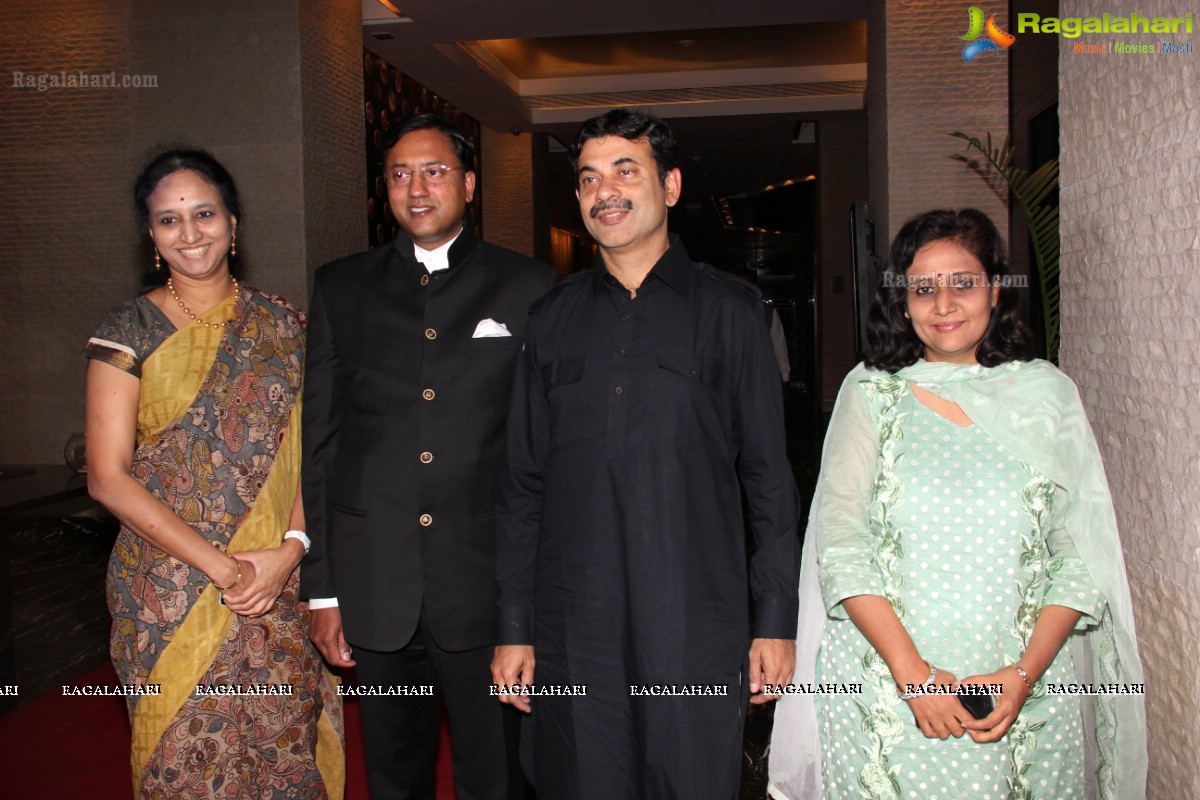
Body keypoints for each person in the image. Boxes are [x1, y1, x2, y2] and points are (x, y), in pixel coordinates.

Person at [768, 208, 1145, 800]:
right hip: (888, 694)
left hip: (1025, 692)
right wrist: (915, 677)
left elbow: (1079, 555)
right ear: (903, 301)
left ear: (995, 290)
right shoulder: (872, 394)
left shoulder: (1046, 396)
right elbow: (842, 544)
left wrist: (1021, 679)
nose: (943, 304)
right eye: (923, 288)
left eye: (962, 283)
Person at [491, 108, 801, 799]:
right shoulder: (551, 321)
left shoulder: (732, 313)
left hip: (695, 621)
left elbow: (768, 481)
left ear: (671, 185)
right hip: (576, 625)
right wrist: (514, 627)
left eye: (626, 171)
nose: (606, 191)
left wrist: (775, 622)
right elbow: (522, 485)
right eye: (589, 178)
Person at [301, 114, 557, 800]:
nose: (417, 188)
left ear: (469, 185)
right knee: (393, 774)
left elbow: (544, 454)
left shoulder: (530, 287)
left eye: (435, 170)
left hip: (486, 589)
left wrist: (530, 605)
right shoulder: (340, 288)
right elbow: (320, 446)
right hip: (375, 586)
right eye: (399, 174)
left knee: (497, 776)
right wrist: (322, 590)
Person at [85, 149, 344, 798]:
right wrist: (225, 569)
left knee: (283, 760)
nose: (190, 232)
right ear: (150, 234)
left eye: (204, 213)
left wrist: (289, 552)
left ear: (233, 221)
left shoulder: (285, 327)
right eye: (168, 220)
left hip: (276, 587)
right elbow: (107, 478)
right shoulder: (128, 329)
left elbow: (309, 454)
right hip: (169, 594)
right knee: (187, 770)